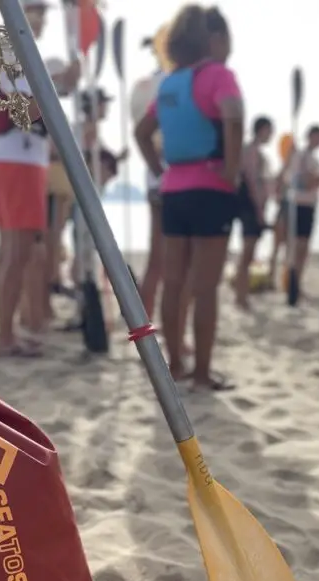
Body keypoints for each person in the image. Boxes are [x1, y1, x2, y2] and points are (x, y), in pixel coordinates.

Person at [134, 4, 243, 391]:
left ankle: (175, 363)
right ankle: (202, 373)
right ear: (211, 40)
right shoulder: (218, 75)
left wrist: (161, 171)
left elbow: (142, 132)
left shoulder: (169, 83)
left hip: (174, 190)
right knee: (206, 286)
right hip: (210, 187)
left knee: (173, 280)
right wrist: (231, 170)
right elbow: (232, 116)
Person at [0, 0, 78, 357]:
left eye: (43, 10)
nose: (41, 18)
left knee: (15, 252)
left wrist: (64, 82)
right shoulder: (6, 55)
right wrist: (55, 84)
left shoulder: (24, 58)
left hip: (24, 162)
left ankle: (8, 332)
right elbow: (13, 113)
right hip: (17, 161)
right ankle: (5, 336)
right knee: (17, 252)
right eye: (35, 9)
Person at [130, 34, 169, 320]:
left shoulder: (143, 86)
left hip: (154, 176)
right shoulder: (173, 83)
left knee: (157, 257)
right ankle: (159, 325)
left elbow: (141, 130)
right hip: (173, 175)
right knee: (174, 262)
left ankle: (144, 320)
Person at [288, 125, 319, 298]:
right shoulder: (301, 157)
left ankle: (297, 282)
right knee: (298, 246)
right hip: (299, 205)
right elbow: (307, 182)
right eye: (318, 137)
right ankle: (292, 283)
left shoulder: (312, 159)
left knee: (303, 247)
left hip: (309, 204)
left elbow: (314, 184)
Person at [233, 115, 274, 309]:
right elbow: (251, 181)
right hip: (249, 206)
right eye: (269, 130)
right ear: (261, 130)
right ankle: (241, 295)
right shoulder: (250, 151)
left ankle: (242, 294)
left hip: (253, 206)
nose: (271, 135)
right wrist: (259, 210)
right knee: (247, 253)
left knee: (249, 253)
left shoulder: (257, 153)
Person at [267, 142, 295, 287]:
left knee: (289, 248)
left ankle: (285, 279)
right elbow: (276, 189)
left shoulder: (295, 171)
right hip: (284, 209)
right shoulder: (283, 171)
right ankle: (271, 277)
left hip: (293, 209)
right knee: (277, 246)